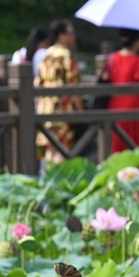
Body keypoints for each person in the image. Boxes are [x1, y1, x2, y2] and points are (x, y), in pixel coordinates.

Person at [35, 19, 82, 167]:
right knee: (63, 148)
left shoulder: (46, 54)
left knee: (51, 148)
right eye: (71, 33)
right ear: (61, 35)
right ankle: (58, 182)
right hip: (62, 108)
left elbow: (37, 83)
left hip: (45, 108)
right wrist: (80, 111)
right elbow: (74, 86)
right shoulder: (66, 56)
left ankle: (48, 181)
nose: (73, 37)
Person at [106, 29, 139, 160]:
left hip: (114, 108)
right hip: (135, 110)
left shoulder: (111, 59)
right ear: (137, 42)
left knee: (117, 149)